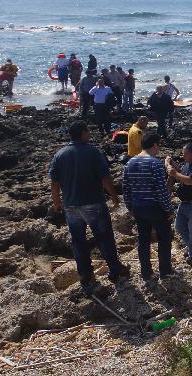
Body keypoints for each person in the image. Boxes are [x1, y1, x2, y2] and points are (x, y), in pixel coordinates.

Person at [49, 121, 130, 294]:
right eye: (87, 131)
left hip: (70, 205)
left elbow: (54, 182)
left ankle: (85, 275)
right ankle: (115, 270)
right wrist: (114, 195)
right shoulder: (93, 152)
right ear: (83, 133)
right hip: (93, 203)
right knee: (104, 238)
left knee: (78, 241)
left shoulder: (60, 154)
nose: (89, 134)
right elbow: (105, 177)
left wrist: (57, 202)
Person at [123, 133, 174, 280]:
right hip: (154, 207)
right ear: (155, 145)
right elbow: (161, 189)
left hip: (138, 207)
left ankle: (146, 273)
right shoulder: (155, 163)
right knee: (164, 238)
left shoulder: (130, 163)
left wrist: (130, 207)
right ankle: (165, 271)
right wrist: (169, 209)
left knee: (143, 239)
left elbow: (126, 188)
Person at [165, 143, 192, 268]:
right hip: (185, 202)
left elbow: (190, 181)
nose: (183, 156)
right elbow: (183, 174)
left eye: (185, 154)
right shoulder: (188, 164)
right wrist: (175, 167)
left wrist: (174, 174)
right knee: (179, 226)